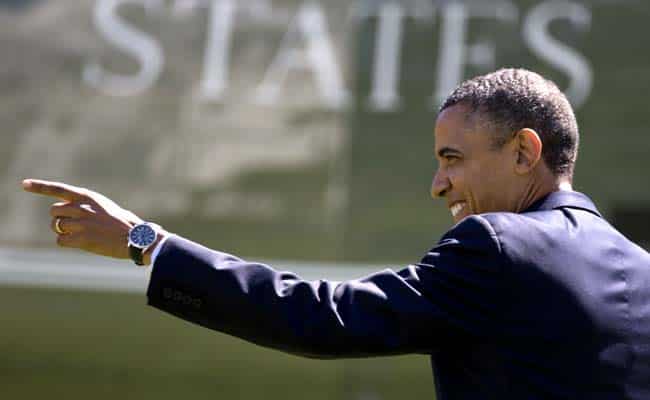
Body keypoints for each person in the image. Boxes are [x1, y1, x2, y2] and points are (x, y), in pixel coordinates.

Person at [23, 68, 650, 399]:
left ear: (524, 152)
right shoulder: (641, 269)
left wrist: (145, 243)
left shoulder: (499, 246)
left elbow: (324, 318)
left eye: (453, 159)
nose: (437, 184)